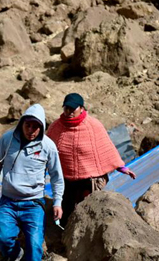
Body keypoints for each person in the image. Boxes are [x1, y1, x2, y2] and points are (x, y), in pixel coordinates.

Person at [0, 104, 64, 261]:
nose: (31, 130)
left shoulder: (48, 147)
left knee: (35, 244)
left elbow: (56, 177)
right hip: (8, 201)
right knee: (2, 235)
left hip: (33, 203)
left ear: (42, 128)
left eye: (36, 127)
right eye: (28, 125)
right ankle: (15, 252)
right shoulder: (7, 140)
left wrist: (57, 202)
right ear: (22, 124)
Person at [47, 93, 136, 226]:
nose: (69, 112)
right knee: (67, 212)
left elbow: (106, 148)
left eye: (73, 109)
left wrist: (121, 167)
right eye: (66, 108)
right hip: (66, 180)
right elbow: (46, 150)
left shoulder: (93, 126)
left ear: (81, 108)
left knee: (89, 212)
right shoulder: (56, 127)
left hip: (89, 180)